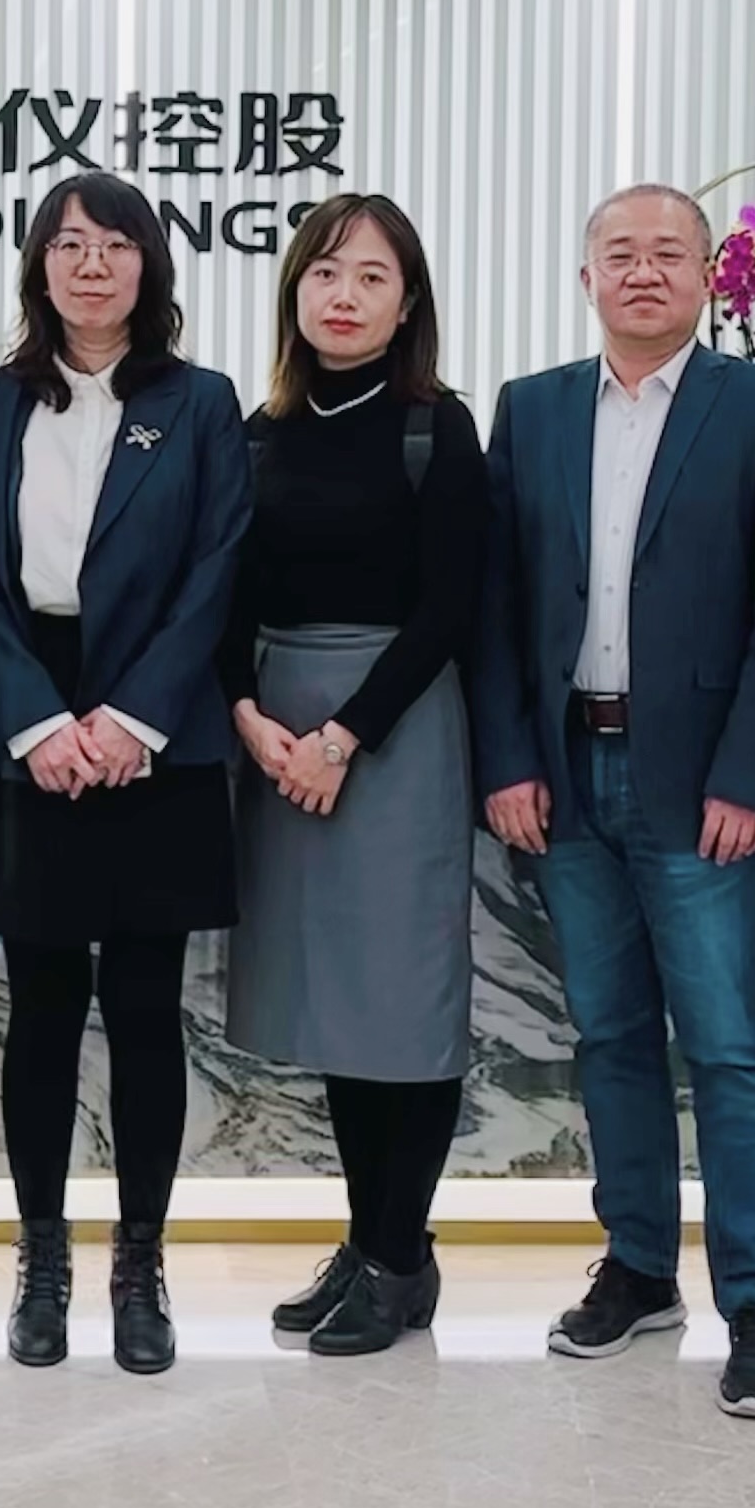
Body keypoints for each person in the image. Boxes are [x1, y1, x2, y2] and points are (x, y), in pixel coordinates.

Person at [470, 184, 755, 1417]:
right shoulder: (532, 408)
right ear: (586, 278)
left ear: (708, 273)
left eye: (667, 252)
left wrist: (751, 771)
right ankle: (636, 1265)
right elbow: (498, 602)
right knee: (609, 1036)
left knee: (728, 1046)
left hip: (702, 783)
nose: (643, 271)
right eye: (618, 253)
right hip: (567, 771)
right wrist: (509, 759)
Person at [0, 171, 249, 1376]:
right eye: (69, 245)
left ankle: (140, 1262)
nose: (92, 265)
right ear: (40, 267)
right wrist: (37, 721)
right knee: (43, 1006)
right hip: (29, 715)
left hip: (152, 720)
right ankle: (43, 1260)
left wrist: (131, 718)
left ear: (148, 265)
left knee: (148, 1008)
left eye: (115, 244)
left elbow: (216, 569)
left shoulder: (200, 402)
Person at [220, 195, 488, 1360]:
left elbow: (452, 605)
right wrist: (249, 715)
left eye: (373, 277)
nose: (345, 295)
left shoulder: (439, 427)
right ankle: (377, 1244)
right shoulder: (257, 431)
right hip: (278, 730)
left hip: (397, 729)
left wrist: (344, 737)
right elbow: (223, 593)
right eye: (326, 272)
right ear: (295, 291)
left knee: (403, 1004)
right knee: (335, 1003)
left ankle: (395, 1251)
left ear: (407, 300)